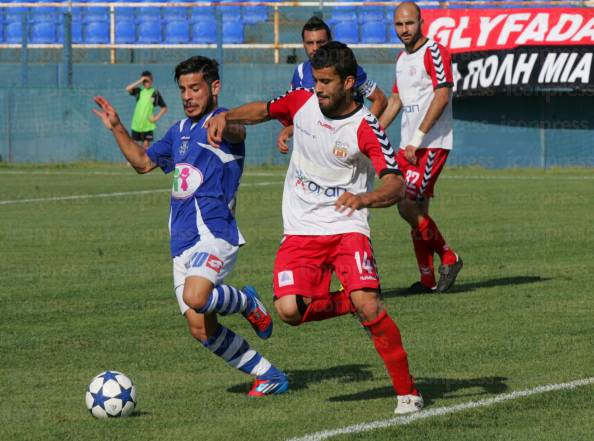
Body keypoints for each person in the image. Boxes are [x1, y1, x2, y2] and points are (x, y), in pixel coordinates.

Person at [207, 42, 424, 415]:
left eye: (326, 81)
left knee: (369, 306)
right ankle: (353, 300)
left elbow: (395, 183)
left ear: (348, 82)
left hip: (346, 228)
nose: (318, 88)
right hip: (301, 229)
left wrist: (365, 199)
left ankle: (408, 394)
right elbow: (262, 110)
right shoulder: (302, 102)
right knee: (289, 311)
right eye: (316, 80)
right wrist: (225, 116)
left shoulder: (365, 127)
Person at [94, 56, 288, 397]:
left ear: (214, 88)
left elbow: (239, 130)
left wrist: (226, 122)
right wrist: (117, 127)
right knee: (201, 329)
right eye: (183, 89)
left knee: (196, 297)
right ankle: (268, 374)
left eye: (195, 88)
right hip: (181, 243)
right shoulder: (178, 131)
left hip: (214, 234)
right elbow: (142, 163)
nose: (187, 96)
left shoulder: (224, 122)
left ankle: (245, 303)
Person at [379, 1, 463, 294]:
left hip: (431, 144)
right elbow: (395, 102)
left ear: (421, 22)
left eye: (409, 23)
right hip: (410, 146)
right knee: (418, 210)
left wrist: (418, 137)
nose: (404, 29)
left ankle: (449, 256)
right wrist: (371, 132)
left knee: (405, 204)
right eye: (399, 25)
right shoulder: (402, 60)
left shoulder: (435, 51)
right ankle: (427, 278)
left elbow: (442, 94)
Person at [276, 16, 388, 154]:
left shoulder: (347, 68)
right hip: (316, 151)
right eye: (310, 43)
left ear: (329, 41)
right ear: (303, 44)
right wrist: (289, 130)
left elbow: (380, 99)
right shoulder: (299, 73)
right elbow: (301, 116)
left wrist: (360, 132)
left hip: (345, 150)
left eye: (320, 42)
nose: (315, 48)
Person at [125, 71, 168, 149]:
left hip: (148, 125)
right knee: (134, 146)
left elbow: (164, 108)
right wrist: (140, 80)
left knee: (146, 147)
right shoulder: (139, 91)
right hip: (136, 124)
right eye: (144, 82)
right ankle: (132, 161)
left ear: (151, 81)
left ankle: (145, 161)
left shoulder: (155, 93)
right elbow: (128, 88)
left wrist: (156, 118)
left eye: (147, 81)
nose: (145, 83)